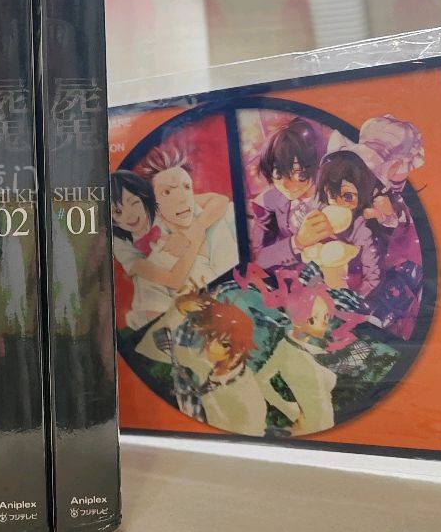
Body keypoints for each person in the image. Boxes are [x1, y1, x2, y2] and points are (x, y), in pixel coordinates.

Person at [110, 169, 228, 330]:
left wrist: (194, 229)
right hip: (159, 291)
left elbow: (220, 200)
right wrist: (193, 241)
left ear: (144, 197)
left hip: (191, 275)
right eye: (117, 212)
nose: (129, 216)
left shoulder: (159, 206)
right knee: (146, 285)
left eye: (134, 203)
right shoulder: (121, 245)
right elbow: (173, 280)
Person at [170, 292, 268, 436]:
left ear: (239, 350)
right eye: (210, 336)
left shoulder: (246, 398)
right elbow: (173, 348)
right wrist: (184, 307)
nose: (210, 346)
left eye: (224, 344)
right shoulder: (207, 365)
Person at [254, 282, 342, 436]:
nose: (324, 323)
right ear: (296, 321)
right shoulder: (286, 350)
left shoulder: (307, 348)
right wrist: (288, 409)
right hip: (310, 428)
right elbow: (260, 380)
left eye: (326, 317)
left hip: (327, 427)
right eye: (313, 319)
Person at [249, 117, 331, 271]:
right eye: (278, 174)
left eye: (299, 175)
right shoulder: (267, 202)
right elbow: (255, 259)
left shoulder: (334, 193)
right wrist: (297, 242)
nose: (286, 185)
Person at [314, 149, 383, 296]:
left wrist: (352, 299)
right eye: (332, 195)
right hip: (317, 279)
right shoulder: (320, 212)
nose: (339, 203)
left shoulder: (362, 230)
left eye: (348, 197)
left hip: (346, 289)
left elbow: (372, 277)